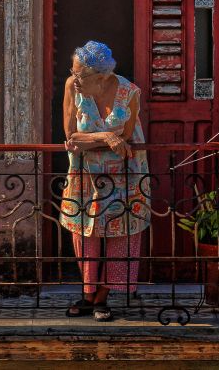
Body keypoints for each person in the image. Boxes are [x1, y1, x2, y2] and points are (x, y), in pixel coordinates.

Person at [59, 41, 150, 322]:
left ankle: (103, 296)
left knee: (120, 232)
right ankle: (88, 294)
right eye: (72, 73)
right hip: (85, 175)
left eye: (80, 75)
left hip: (124, 174)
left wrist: (107, 140)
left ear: (101, 77)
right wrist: (106, 137)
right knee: (85, 233)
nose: (75, 80)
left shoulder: (130, 93)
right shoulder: (72, 88)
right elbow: (71, 136)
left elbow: (125, 139)